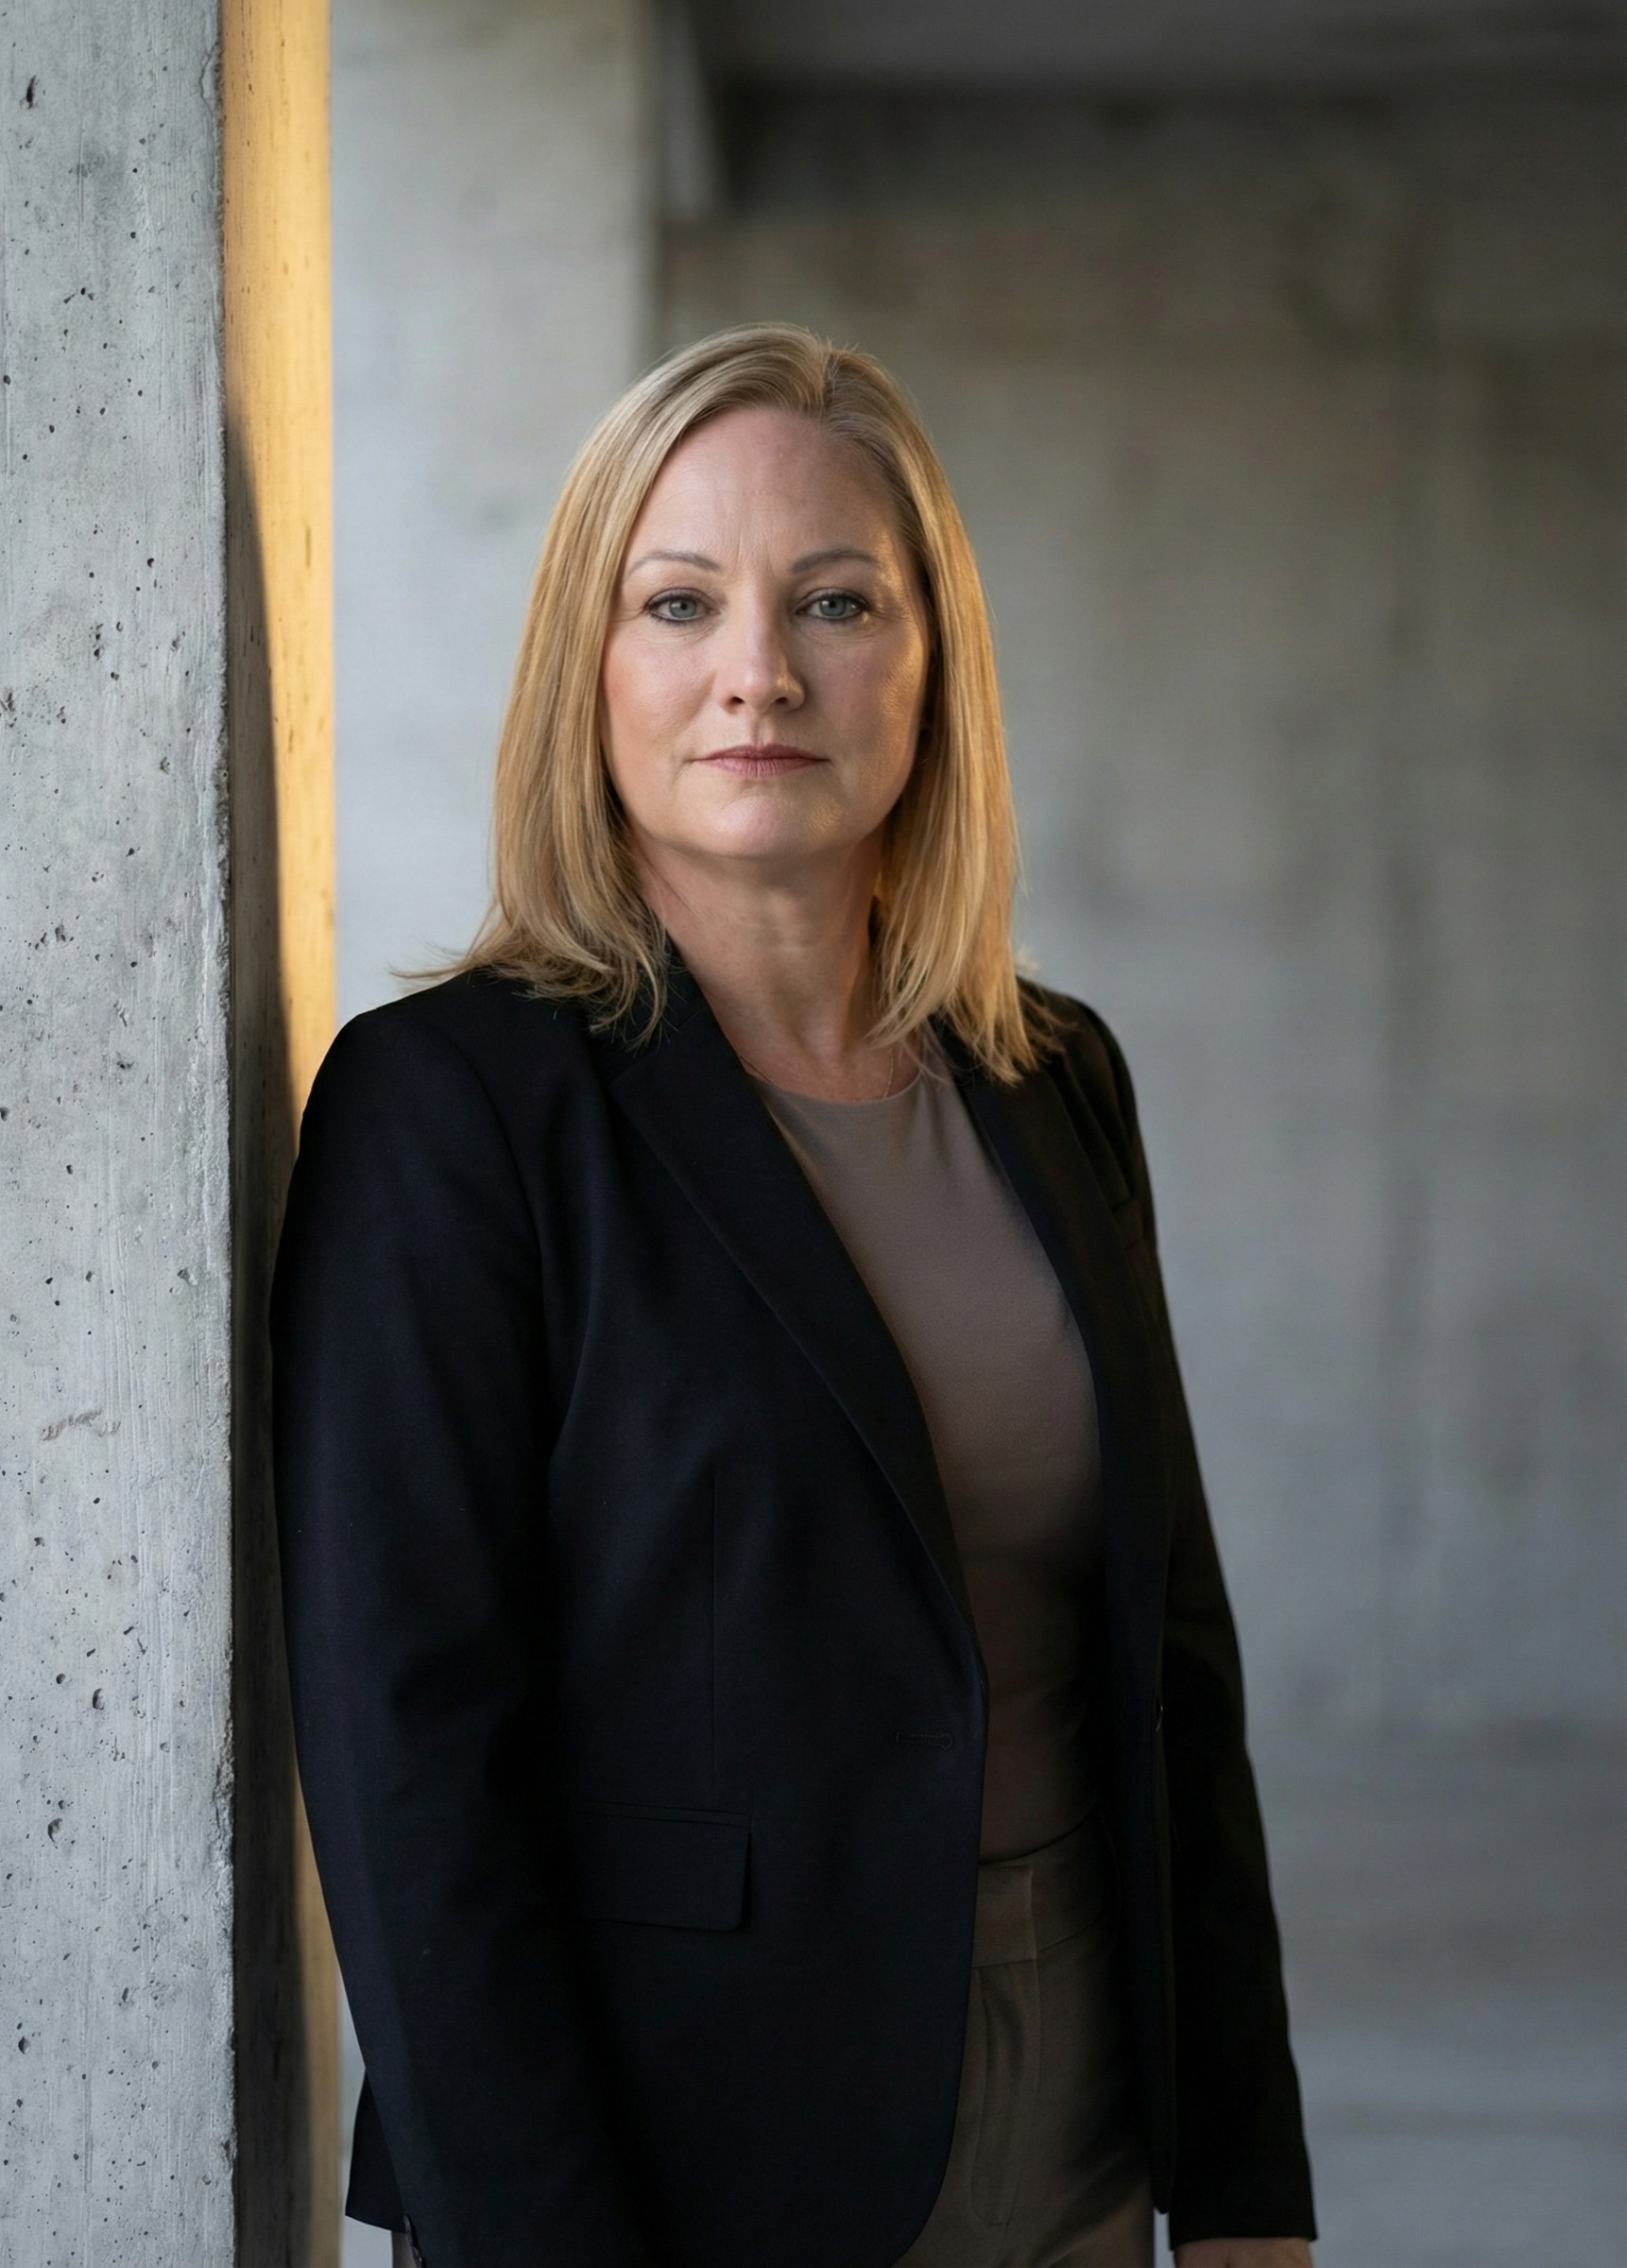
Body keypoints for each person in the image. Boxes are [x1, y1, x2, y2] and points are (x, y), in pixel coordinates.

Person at [273, 324, 1317, 2268]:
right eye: (678, 602)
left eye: (833, 600)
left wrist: (1247, 2186)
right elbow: (412, 1767)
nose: (757, 668)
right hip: (680, 2143)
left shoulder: (1048, 1075)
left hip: (1080, 2094)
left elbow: (1167, 1661)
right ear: (588, 665)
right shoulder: (454, 1113)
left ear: (932, 662)